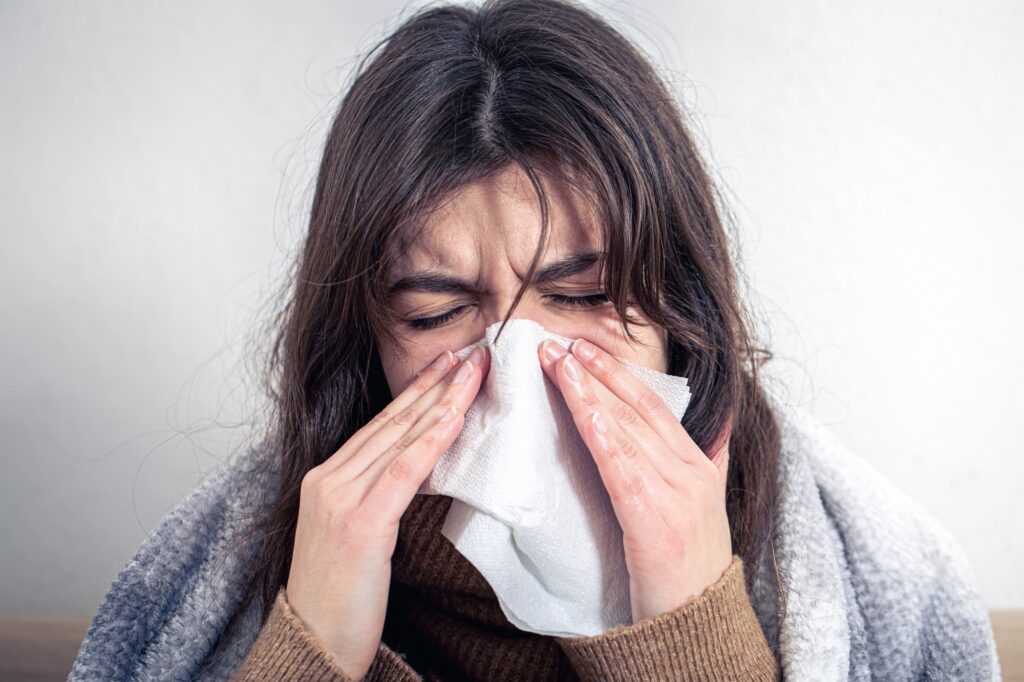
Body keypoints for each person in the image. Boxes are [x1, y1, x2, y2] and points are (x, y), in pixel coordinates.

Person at [67, 0, 1000, 680]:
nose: (517, 370)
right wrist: (310, 643)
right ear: (364, 339)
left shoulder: (878, 569)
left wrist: (692, 623)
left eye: (586, 294)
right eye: (436, 313)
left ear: (681, 299)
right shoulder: (234, 561)